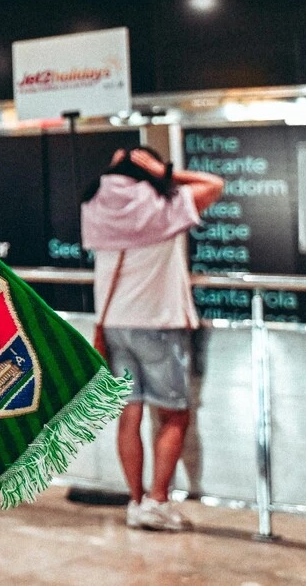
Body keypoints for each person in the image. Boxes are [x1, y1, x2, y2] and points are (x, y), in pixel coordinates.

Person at [81, 146, 223, 533]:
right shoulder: (164, 202)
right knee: (174, 413)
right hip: (158, 322)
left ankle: (135, 500)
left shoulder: (94, 204)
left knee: (130, 412)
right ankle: (158, 502)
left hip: (114, 324)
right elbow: (215, 184)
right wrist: (167, 173)